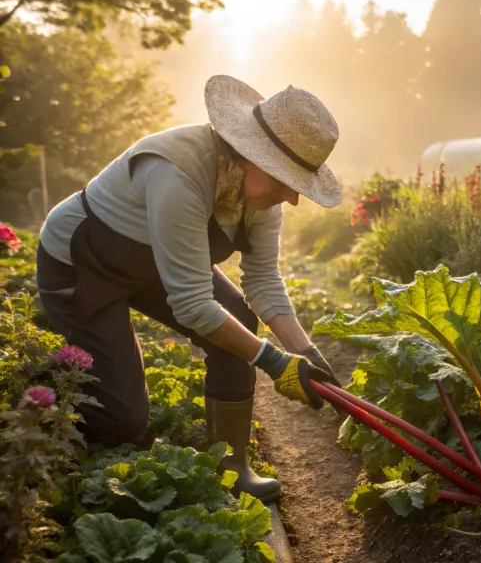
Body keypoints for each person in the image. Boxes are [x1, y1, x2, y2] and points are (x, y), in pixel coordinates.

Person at [36, 75, 344, 504]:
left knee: (238, 316)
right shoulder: (178, 172)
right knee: (122, 419)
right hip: (86, 258)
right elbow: (193, 305)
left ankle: (233, 467)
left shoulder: (260, 198)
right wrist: (275, 362)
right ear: (252, 154)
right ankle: (42, 416)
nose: (291, 198)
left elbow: (263, 281)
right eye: (285, 180)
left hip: (156, 263)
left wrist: (307, 354)